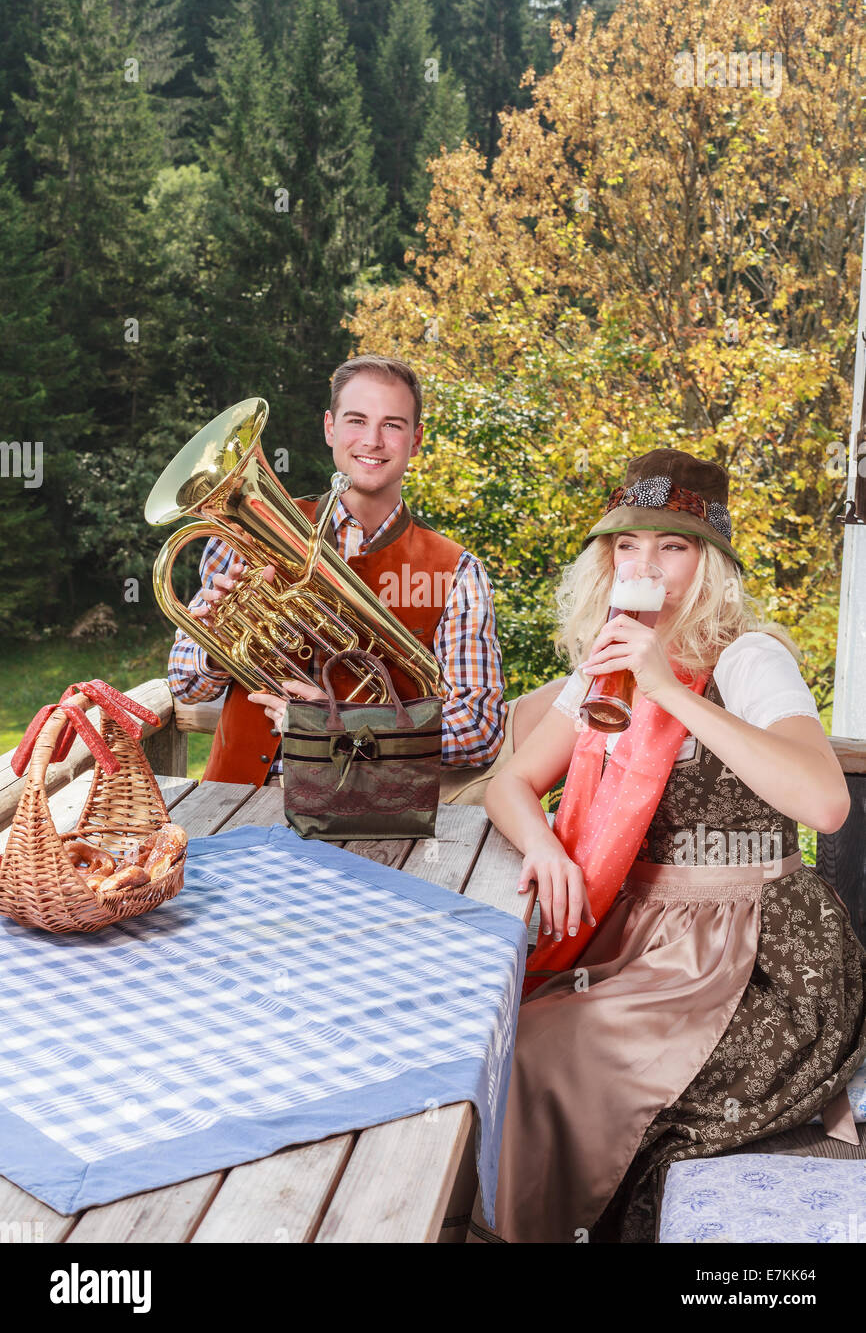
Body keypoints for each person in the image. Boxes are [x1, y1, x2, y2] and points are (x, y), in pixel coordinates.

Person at [466, 447, 866, 1244]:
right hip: (642, 934)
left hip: (755, 948)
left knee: (546, 1053)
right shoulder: (605, 664)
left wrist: (668, 690)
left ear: (710, 562)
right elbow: (506, 785)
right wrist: (544, 847)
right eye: (628, 547)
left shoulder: (752, 659)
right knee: (491, 1027)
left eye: (672, 547)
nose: (646, 566)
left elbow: (825, 804)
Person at [167, 354, 566, 799]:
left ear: (416, 441)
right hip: (236, 799)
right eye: (356, 420)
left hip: (370, 812)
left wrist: (347, 727)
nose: (372, 441)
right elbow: (186, 684)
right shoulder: (240, 537)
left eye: (392, 425)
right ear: (330, 428)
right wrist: (221, 647)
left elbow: (477, 730)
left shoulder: (457, 572)